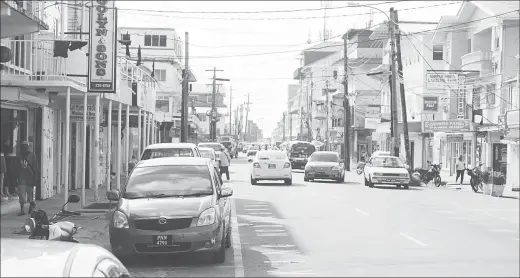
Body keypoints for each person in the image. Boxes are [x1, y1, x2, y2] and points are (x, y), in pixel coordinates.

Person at [18, 141, 40, 215]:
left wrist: (36, 177)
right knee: (21, 194)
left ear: (28, 147)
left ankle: (31, 207)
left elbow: (35, 167)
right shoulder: (19, 155)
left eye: (25, 146)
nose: (23, 148)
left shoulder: (32, 155)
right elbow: (16, 167)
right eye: (22, 146)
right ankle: (22, 210)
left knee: (30, 194)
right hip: (21, 178)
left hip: (30, 177)